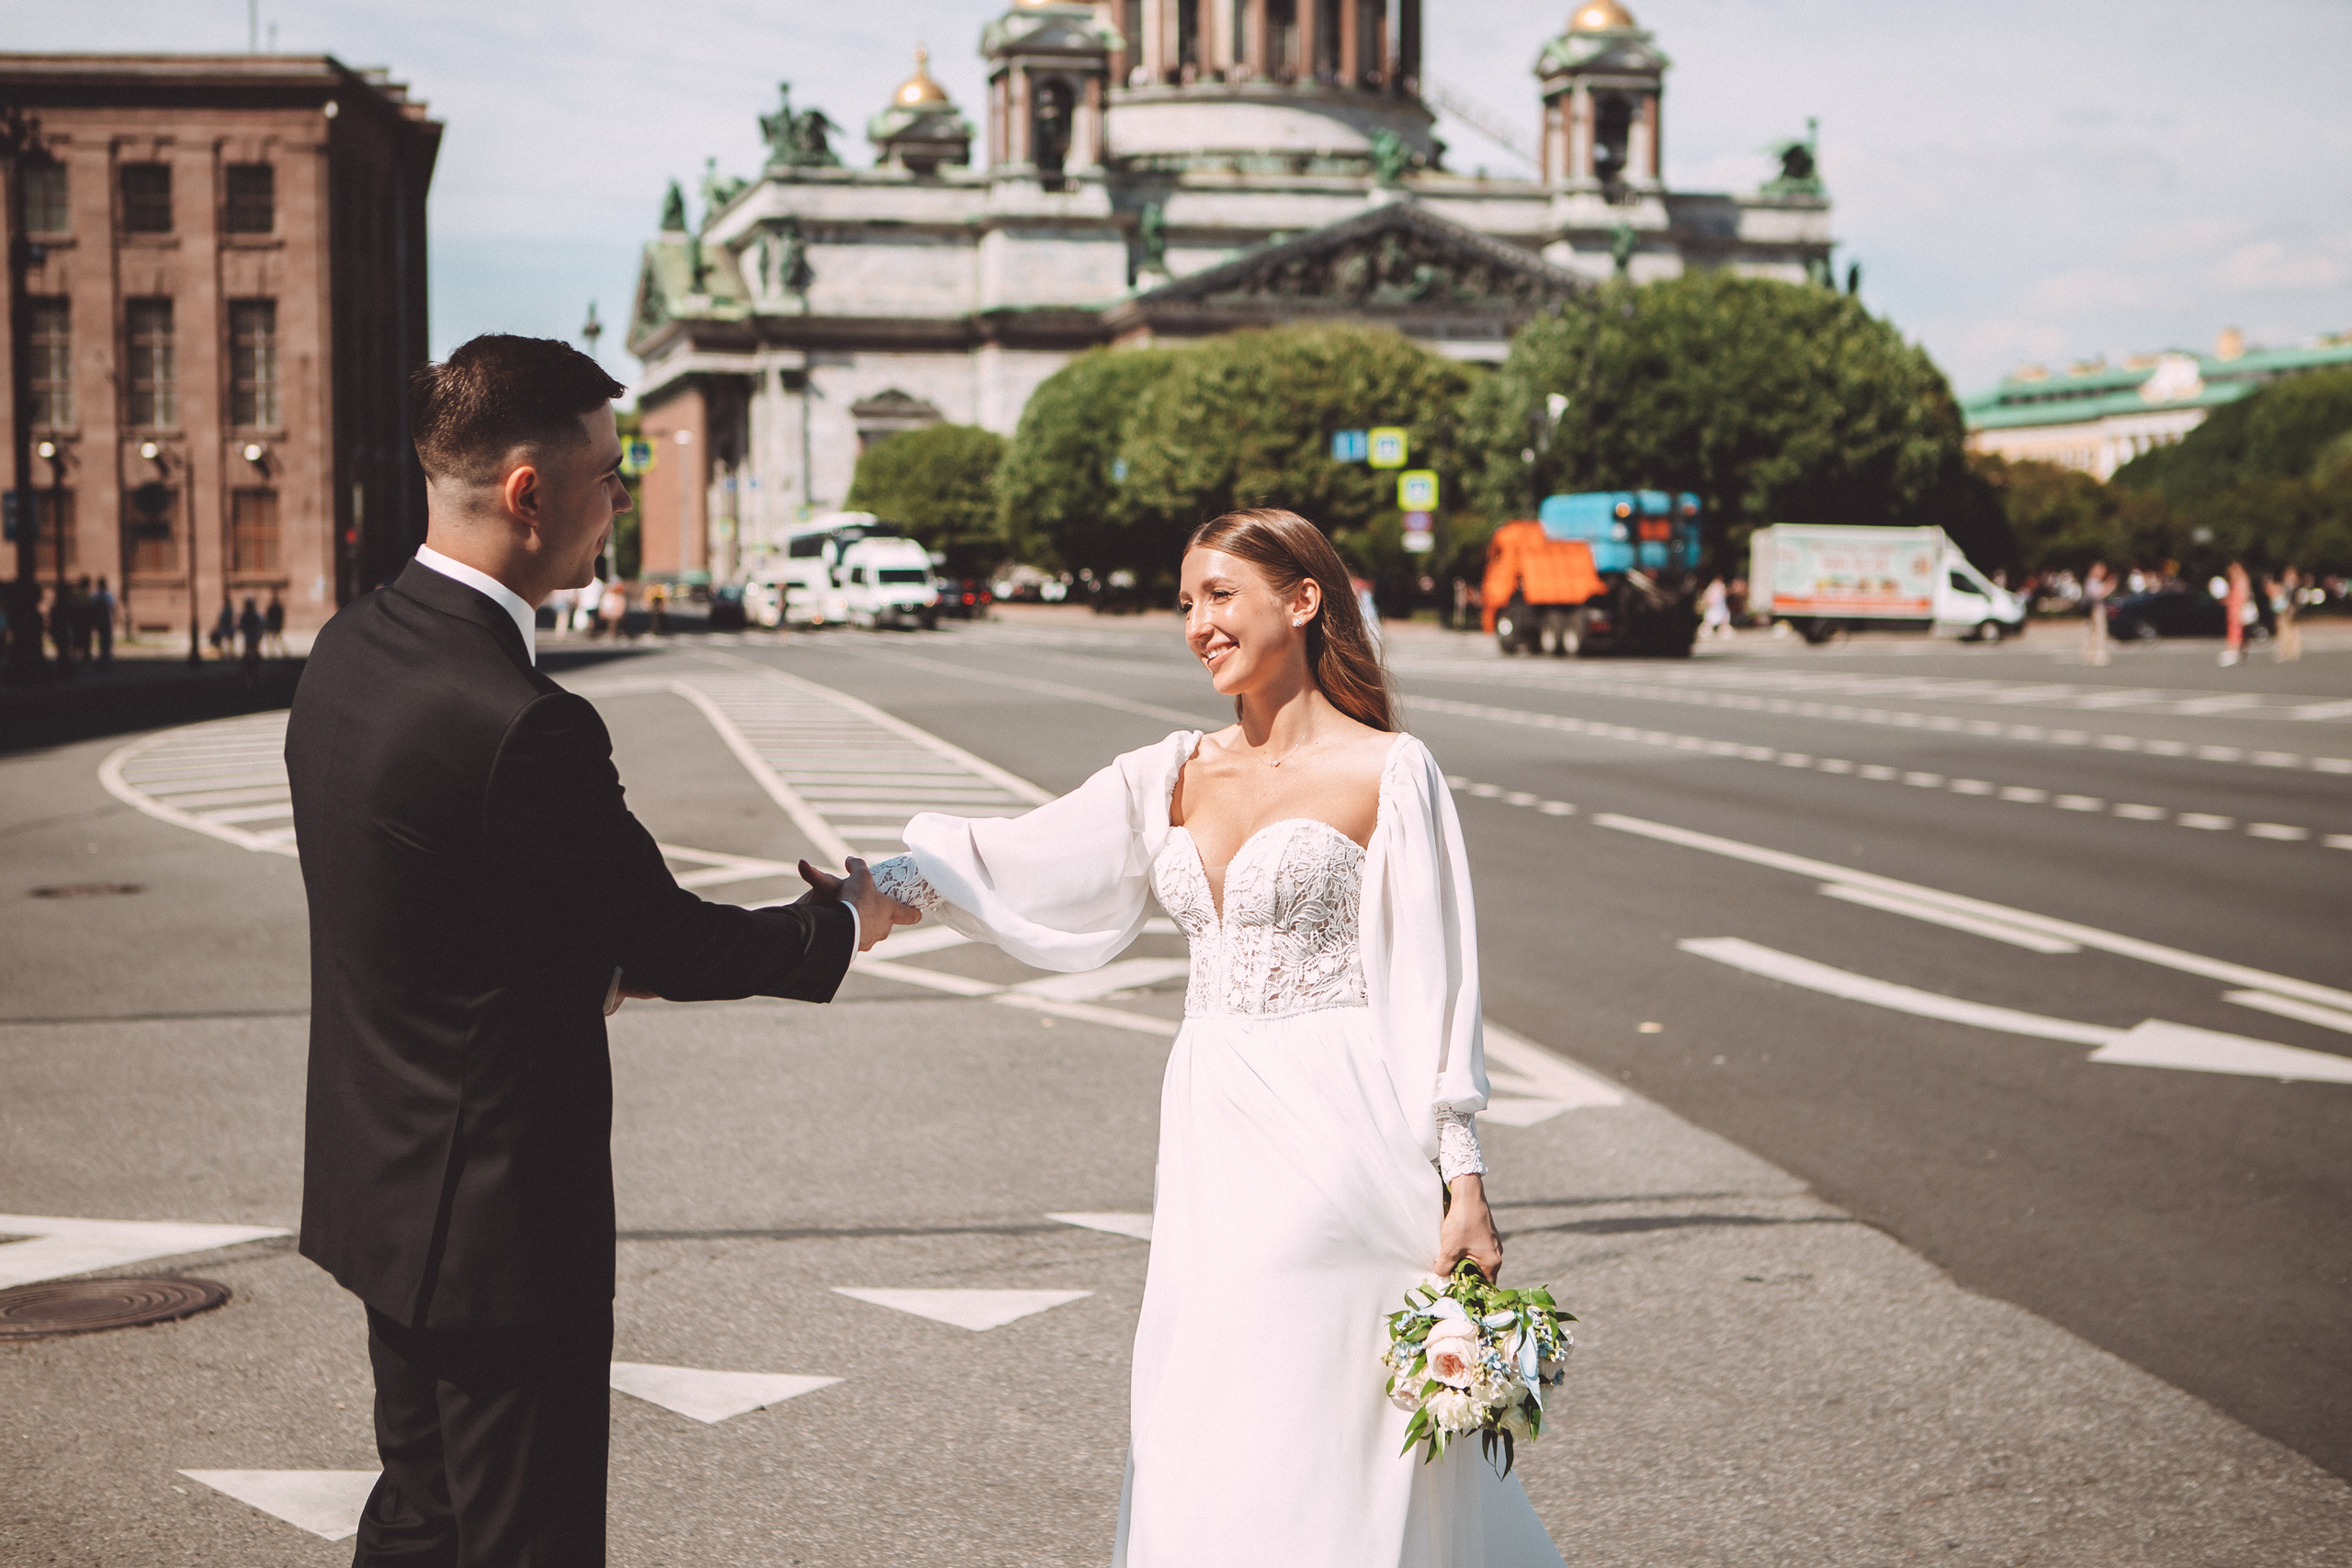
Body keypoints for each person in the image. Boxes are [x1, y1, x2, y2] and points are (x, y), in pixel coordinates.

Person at [286, 333, 917, 1567]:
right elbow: (666, 934)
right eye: (609, 468)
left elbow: (424, 896)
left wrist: (572, 965)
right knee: (530, 1536)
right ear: (531, 492)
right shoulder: (524, 720)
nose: (622, 494)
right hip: (502, 1217)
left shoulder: (351, 649)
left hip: (381, 1180)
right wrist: (847, 918)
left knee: (419, 1517)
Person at [864, 509, 1563, 1567]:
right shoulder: (1172, 773)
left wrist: (1462, 1180)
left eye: (1219, 594)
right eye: (1186, 600)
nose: (1197, 623)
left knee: (1322, 1410)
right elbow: (1026, 857)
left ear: (1303, 599)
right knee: (1204, 1394)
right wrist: (874, 896)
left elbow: (1436, 982)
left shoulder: (1390, 771)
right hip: (1211, 1122)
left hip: (1340, 1122)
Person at [2221, 560, 2250, 666]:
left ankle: (2234, 653)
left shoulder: (2243, 579)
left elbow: (2244, 595)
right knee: (2233, 630)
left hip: (2238, 608)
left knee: (2237, 631)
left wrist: (2241, 608)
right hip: (2233, 607)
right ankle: (2237, 652)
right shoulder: (2234, 580)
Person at [2082, 560, 2110, 666]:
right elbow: (2099, 594)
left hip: (2093, 608)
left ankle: (2090, 654)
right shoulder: (2093, 581)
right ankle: (2098, 655)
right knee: (2099, 630)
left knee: (2092, 631)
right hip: (2096, 607)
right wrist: (2109, 586)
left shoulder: (2090, 581)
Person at [2272, 568, 2301, 663]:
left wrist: (2294, 608)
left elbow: (2297, 599)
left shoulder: (2296, 587)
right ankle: (2283, 650)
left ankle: (2293, 651)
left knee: (2292, 631)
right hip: (2283, 610)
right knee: (2283, 631)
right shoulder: (2284, 586)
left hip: (2292, 610)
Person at [90, 576, 117, 667]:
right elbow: (113, 609)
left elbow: (92, 609)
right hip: (107, 620)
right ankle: (107, 659)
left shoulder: (94, 596)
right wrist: (114, 620)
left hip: (99, 621)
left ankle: (102, 658)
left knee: (101, 640)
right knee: (107, 641)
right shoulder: (109, 595)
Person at [238, 595, 266, 682]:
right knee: (254, 654)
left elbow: (241, 626)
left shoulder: (245, 615)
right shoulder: (256, 615)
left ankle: (249, 674)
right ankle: (255, 673)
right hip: (254, 637)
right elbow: (262, 624)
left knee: (249, 654)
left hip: (249, 637)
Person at [210, 592, 237, 660]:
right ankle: (229, 653)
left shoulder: (226, 611)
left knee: (226, 641)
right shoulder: (229, 610)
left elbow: (221, 620)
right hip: (227, 627)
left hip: (225, 627)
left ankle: (224, 653)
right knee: (229, 641)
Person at [264, 588, 286, 657]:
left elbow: (269, 616)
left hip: (273, 625)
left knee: (275, 639)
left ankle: (274, 652)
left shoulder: (274, 607)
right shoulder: (278, 607)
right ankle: (281, 652)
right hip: (274, 625)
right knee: (276, 639)